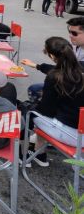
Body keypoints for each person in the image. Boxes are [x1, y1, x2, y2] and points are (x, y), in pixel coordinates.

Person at [27, 37, 84, 166]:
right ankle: (39, 153)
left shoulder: (55, 76)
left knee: (29, 111)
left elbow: (47, 111)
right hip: (80, 129)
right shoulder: (80, 69)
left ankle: (23, 154)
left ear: (52, 56)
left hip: (71, 135)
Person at [22, 16, 84, 101]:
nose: (70, 36)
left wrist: (38, 66)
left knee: (36, 91)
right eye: (69, 32)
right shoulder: (75, 45)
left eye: (74, 33)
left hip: (77, 93)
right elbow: (64, 68)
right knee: (35, 89)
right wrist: (36, 65)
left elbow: (64, 71)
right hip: (71, 84)